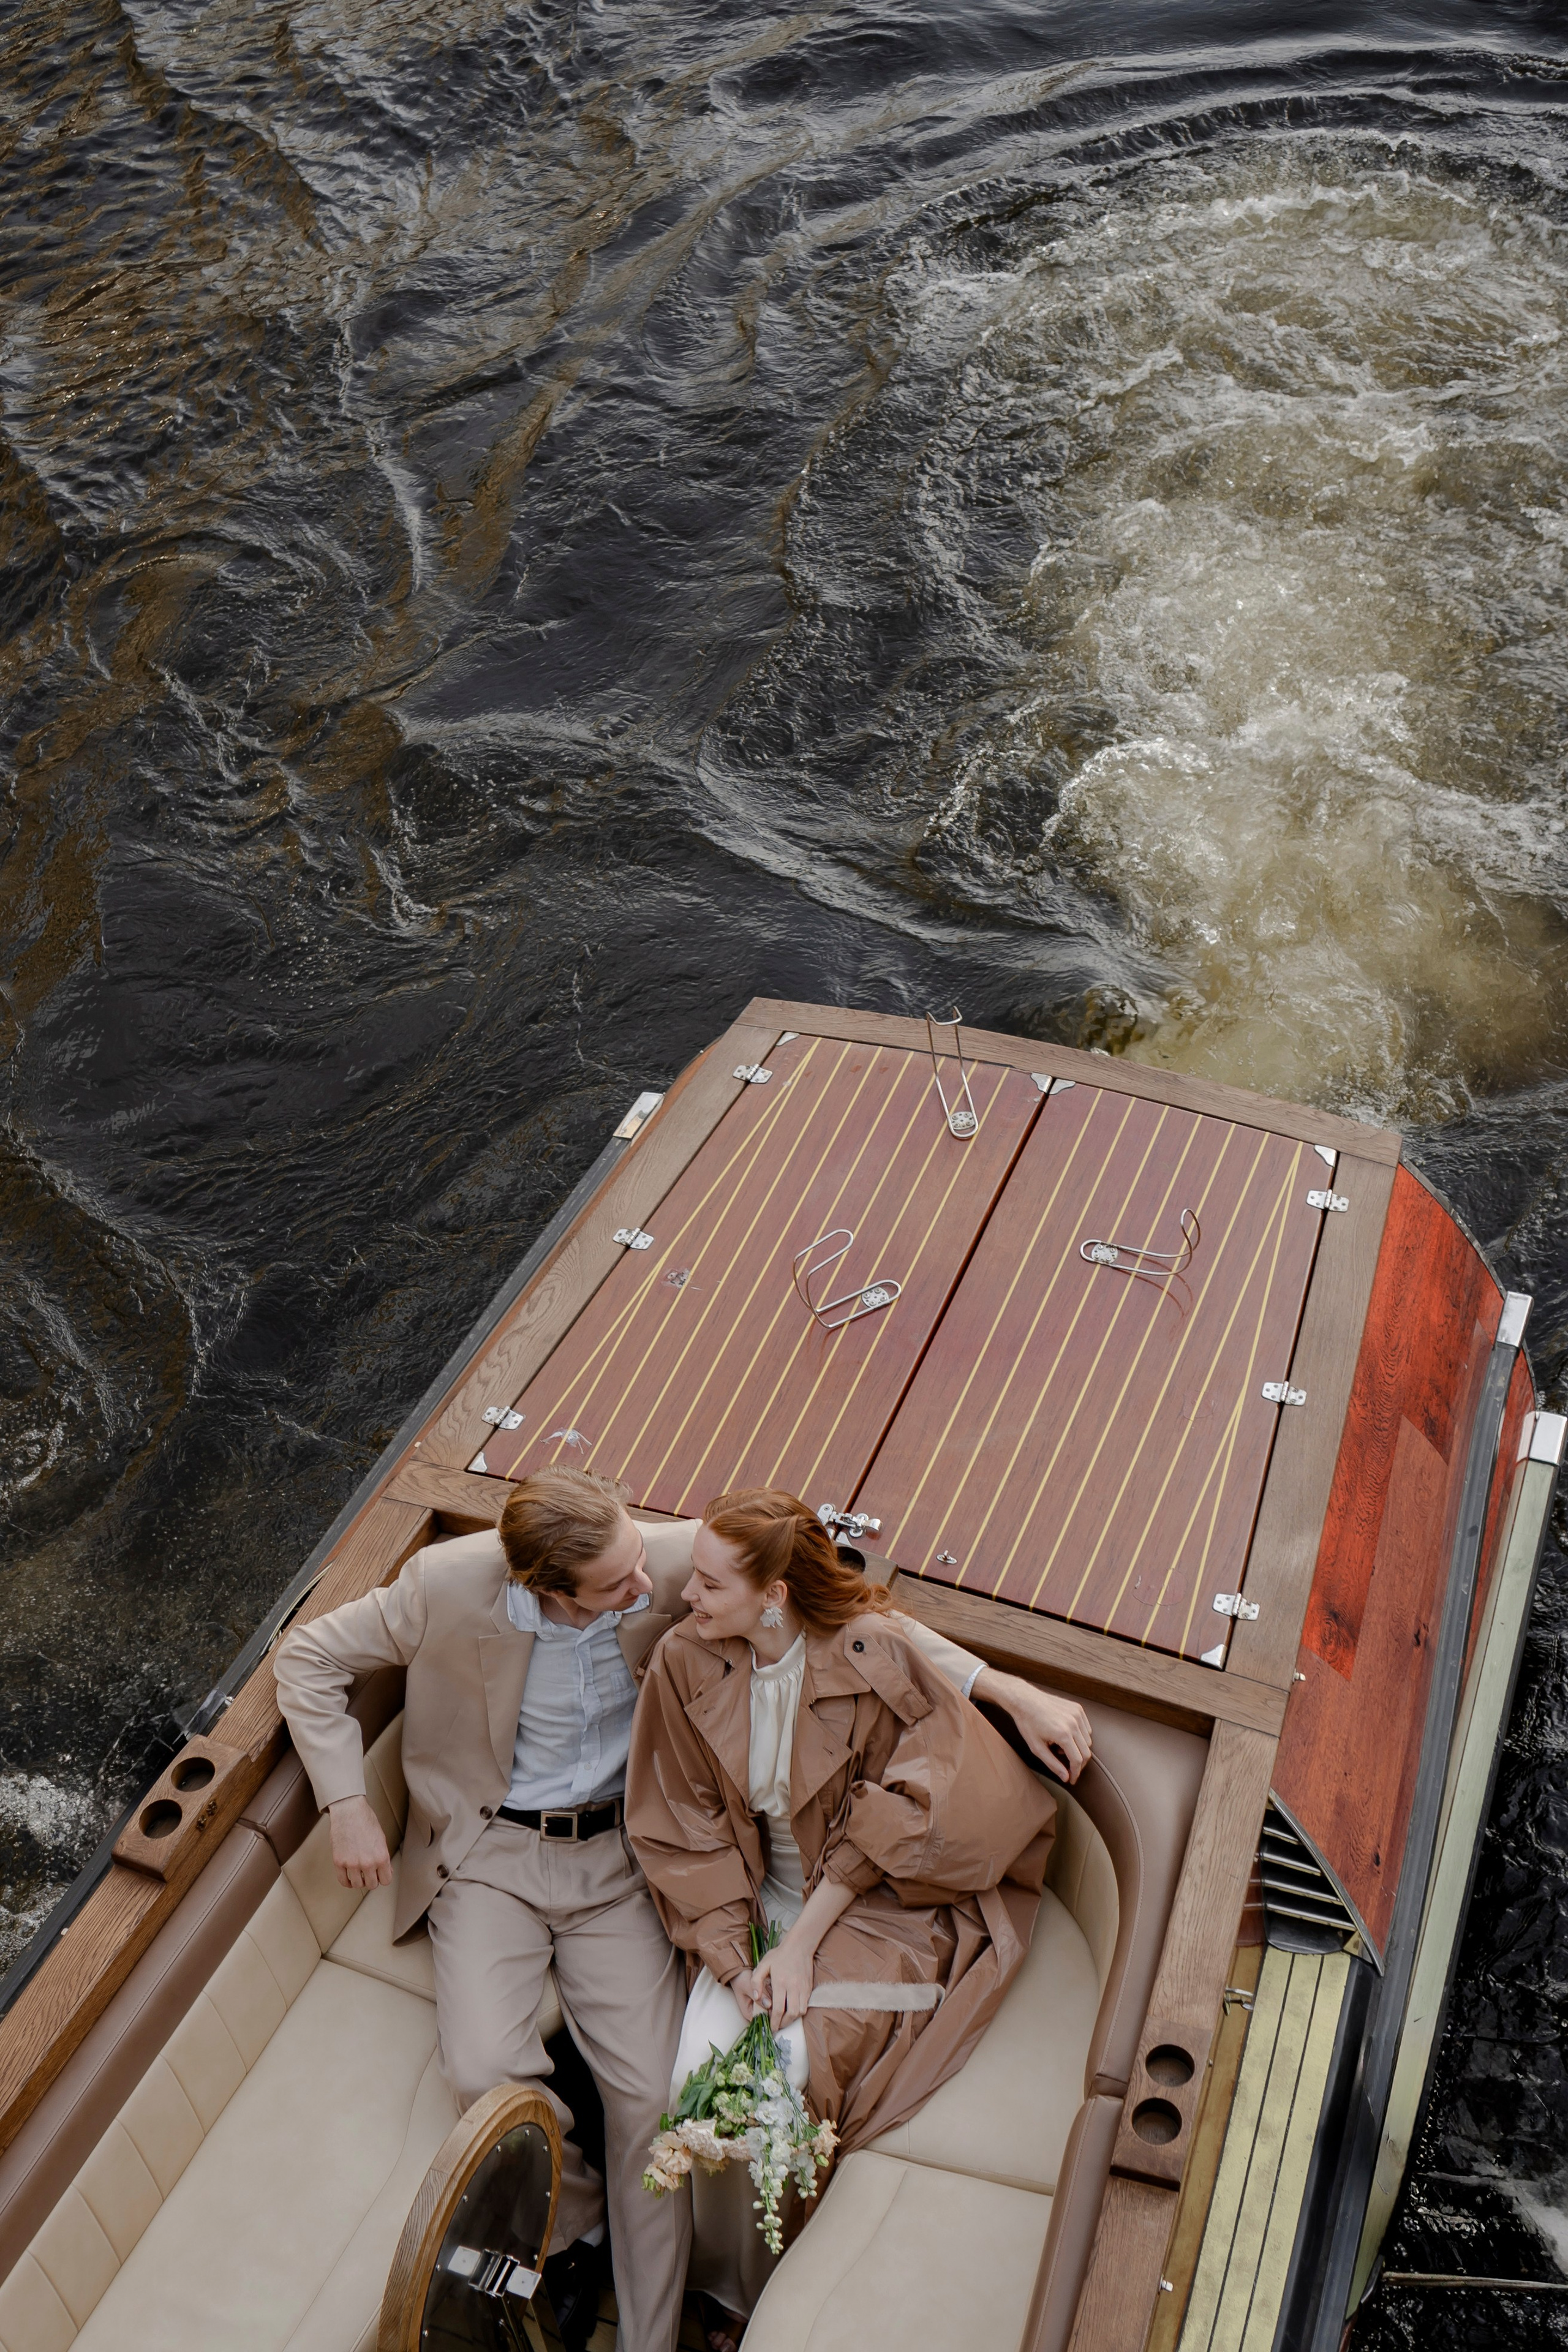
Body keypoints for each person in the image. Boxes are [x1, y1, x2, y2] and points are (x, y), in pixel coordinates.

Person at [274, 1467, 1089, 2352]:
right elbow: (306, 1658)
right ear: (548, 1589)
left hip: (627, 1859)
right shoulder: (445, 1586)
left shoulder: (664, 1563)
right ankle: (579, 2232)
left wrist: (1006, 1689)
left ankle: (648, 2341)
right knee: (484, 2073)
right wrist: (345, 1803)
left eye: (644, 1565)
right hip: (487, 1858)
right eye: (618, 1586)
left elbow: (860, 1620)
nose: (647, 1589)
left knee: (648, 2101)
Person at [625, 1489, 1062, 2345]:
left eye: (710, 1587)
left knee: (780, 2077)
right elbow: (685, 1824)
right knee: (690, 2091)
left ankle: (758, 2303)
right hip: (746, 1906)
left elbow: (893, 1824)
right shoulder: (684, 1661)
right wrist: (733, 1959)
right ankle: (714, 2287)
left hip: (872, 1907)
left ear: (774, 1594)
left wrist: (796, 1952)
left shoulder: (875, 1656)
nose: (688, 1599)